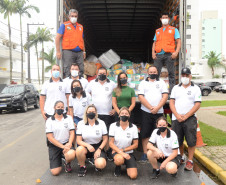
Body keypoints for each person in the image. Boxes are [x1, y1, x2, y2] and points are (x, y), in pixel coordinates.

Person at [170, 67, 201, 171]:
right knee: (178, 140)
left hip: (190, 118)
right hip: (176, 118)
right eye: (183, 75)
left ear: (190, 76)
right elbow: (171, 103)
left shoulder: (195, 88)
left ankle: (190, 160)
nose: (185, 77)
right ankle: (181, 157)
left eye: (187, 75)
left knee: (191, 140)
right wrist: (177, 115)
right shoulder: (175, 88)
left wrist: (186, 116)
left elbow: (197, 104)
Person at [138, 65, 168, 163]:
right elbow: (141, 97)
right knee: (145, 133)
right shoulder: (143, 83)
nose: (152, 74)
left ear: (157, 72)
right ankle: (145, 154)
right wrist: (151, 108)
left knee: (160, 133)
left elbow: (165, 96)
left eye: (154, 72)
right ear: (148, 73)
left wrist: (157, 108)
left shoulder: (162, 82)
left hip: (159, 112)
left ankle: (159, 153)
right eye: (151, 72)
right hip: (146, 111)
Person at [86, 67, 116, 161]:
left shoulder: (112, 84)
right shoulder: (91, 83)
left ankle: (106, 152)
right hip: (95, 114)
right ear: (97, 74)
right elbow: (86, 93)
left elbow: (117, 96)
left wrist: (115, 109)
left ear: (107, 74)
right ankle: (94, 152)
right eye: (100, 73)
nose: (102, 75)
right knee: (95, 132)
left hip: (108, 113)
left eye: (104, 73)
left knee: (106, 134)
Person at [152, 12, 181, 93]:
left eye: (166, 17)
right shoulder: (158, 31)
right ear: (161, 19)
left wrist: (176, 52)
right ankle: (156, 91)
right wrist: (153, 53)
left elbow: (179, 41)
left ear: (168, 19)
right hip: (159, 54)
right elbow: (154, 42)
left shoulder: (173, 30)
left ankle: (171, 93)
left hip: (169, 54)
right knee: (155, 74)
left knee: (171, 74)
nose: (164, 19)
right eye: (163, 17)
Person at [76, 105, 108, 177]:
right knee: (79, 150)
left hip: (98, 146)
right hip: (86, 146)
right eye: (89, 111)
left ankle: (95, 161)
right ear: (86, 112)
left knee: (101, 164)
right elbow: (78, 140)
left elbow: (105, 139)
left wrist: (99, 149)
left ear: (96, 113)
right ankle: (82, 167)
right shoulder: (81, 123)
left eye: (93, 112)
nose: (91, 113)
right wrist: (87, 145)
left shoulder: (101, 123)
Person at [46, 101, 76, 175]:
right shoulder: (49, 120)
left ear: (64, 108)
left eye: (62, 107)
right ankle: (60, 157)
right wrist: (63, 147)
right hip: (54, 145)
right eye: (58, 107)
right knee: (55, 172)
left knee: (71, 154)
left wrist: (69, 143)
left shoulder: (68, 118)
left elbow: (72, 132)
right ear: (54, 108)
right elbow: (50, 137)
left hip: (66, 143)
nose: (60, 108)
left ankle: (67, 162)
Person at [109, 107, 138, 179]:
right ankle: (118, 166)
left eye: (126, 113)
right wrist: (121, 152)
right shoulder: (113, 126)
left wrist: (124, 150)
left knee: (133, 176)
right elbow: (111, 143)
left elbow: (135, 144)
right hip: (116, 151)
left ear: (129, 115)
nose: (124, 115)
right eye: (122, 113)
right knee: (119, 160)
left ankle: (127, 164)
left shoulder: (134, 127)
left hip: (128, 152)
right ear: (119, 115)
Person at [55, 9, 86, 77]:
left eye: (75, 16)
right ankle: (69, 85)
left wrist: (84, 52)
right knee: (68, 69)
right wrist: (58, 51)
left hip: (79, 52)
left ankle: (79, 85)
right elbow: (57, 38)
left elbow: (82, 40)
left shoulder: (80, 26)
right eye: (72, 16)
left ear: (77, 17)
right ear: (69, 16)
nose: (74, 17)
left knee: (81, 69)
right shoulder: (65, 25)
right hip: (68, 51)